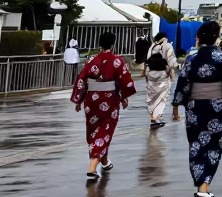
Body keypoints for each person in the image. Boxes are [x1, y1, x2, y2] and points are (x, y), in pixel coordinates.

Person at [171, 21, 222, 197]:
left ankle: (201, 185)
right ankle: (204, 185)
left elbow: (182, 84)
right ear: (216, 37)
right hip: (216, 107)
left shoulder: (191, 59)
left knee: (196, 144)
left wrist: (176, 105)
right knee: (214, 144)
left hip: (194, 108)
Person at [71, 31, 136, 182]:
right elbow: (124, 81)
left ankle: (105, 162)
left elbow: (81, 80)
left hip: (91, 100)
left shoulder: (91, 61)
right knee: (104, 132)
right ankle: (92, 167)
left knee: (95, 131)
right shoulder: (117, 61)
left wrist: (79, 100)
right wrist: (123, 97)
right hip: (109, 100)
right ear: (113, 44)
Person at [144, 31, 178, 128]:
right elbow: (170, 61)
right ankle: (156, 118)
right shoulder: (167, 46)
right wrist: (171, 71)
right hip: (163, 74)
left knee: (152, 96)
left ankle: (153, 117)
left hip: (150, 73)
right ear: (165, 37)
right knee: (162, 96)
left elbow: (147, 60)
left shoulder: (152, 47)